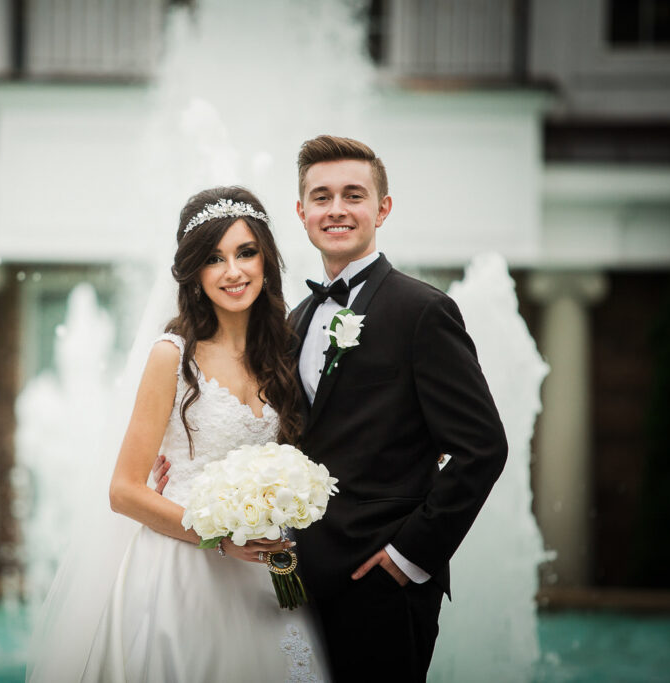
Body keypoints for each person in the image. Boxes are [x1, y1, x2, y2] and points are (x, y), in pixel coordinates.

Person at [28, 186, 329, 682]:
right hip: (183, 570)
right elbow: (123, 492)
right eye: (214, 258)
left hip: (267, 571)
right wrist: (220, 540)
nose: (233, 271)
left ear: (266, 260)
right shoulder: (172, 356)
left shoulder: (284, 354)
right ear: (194, 273)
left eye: (246, 252)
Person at [289, 134, 508, 682]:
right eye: (321, 196)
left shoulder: (424, 311)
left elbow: (482, 448)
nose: (336, 209)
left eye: (353, 195)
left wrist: (409, 558)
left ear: (382, 208)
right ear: (302, 212)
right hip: (299, 582)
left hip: (382, 584)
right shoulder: (293, 319)